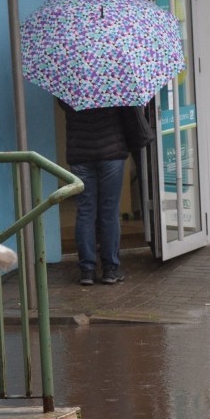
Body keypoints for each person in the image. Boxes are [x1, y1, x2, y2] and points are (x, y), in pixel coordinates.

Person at [60, 101, 129, 286]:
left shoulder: (68, 83)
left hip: (80, 155)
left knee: (85, 211)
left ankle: (87, 271)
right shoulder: (115, 82)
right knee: (109, 212)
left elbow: (65, 107)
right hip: (111, 153)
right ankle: (110, 269)